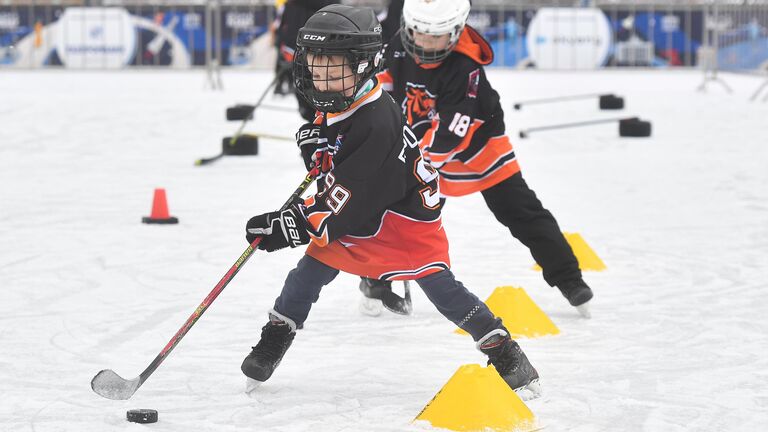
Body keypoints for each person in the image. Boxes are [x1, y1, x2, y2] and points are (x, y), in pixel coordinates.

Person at [241, 4, 541, 400]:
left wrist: (290, 225)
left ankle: (504, 350)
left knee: (444, 292)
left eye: (331, 68)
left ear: (363, 65)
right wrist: (317, 150)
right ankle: (275, 338)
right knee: (305, 277)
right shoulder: (343, 97)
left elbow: (350, 195)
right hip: (357, 213)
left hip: (402, 223)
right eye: (315, 66)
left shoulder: (377, 121)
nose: (321, 76)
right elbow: (336, 165)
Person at [362, 0, 594, 317]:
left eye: (436, 36)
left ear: (455, 33)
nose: (426, 43)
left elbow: (453, 131)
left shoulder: (464, 66)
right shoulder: (401, 44)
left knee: (520, 210)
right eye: (420, 34)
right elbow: (382, 86)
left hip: (477, 147)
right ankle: (376, 280)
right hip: (421, 141)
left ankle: (569, 279)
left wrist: (416, 167)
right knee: (402, 217)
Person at [272, 0, 338, 121]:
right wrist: (283, 44)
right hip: (297, 50)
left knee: (323, 89)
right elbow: (283, 26)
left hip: (321, 51)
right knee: (305, 96)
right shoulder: (290, 5)